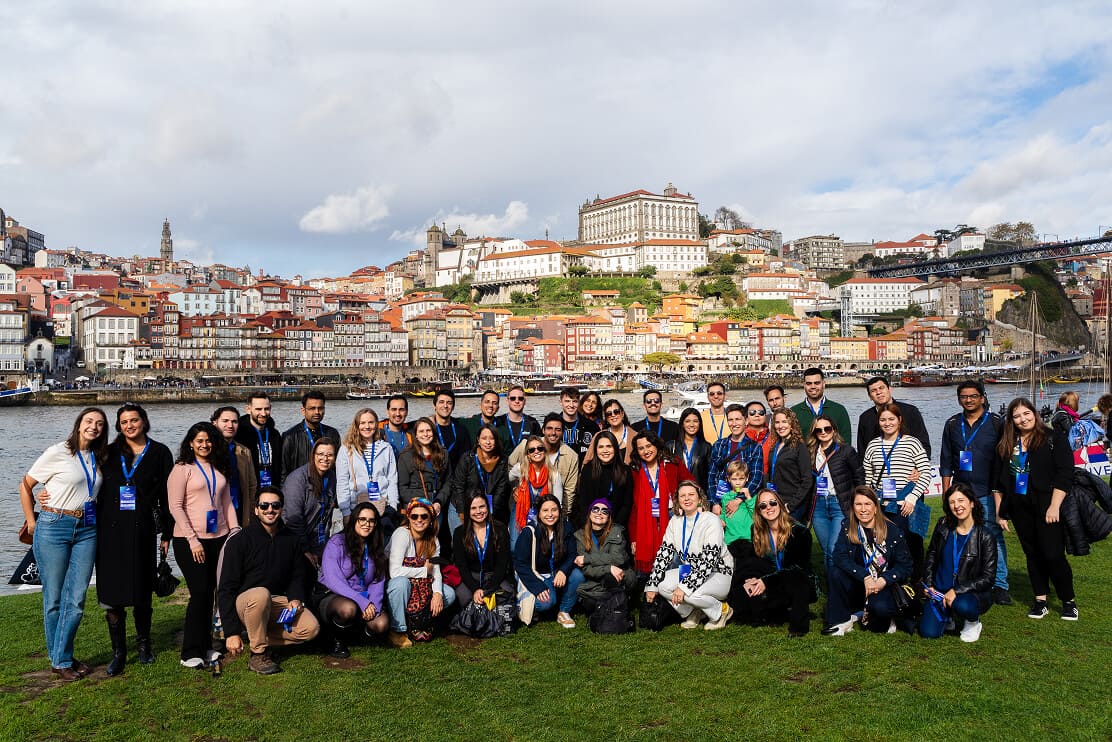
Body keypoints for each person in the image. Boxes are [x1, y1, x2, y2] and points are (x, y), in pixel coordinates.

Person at [20, 408, 110, 681]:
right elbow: (25, 484)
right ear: (79, 424)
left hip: (87, 529)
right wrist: (31, 521)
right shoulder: (58, 451)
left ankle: (62, 656)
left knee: (78, 598)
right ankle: (61, 659)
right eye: (89, 421)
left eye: (99, 424)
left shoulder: (98, 456)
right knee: (54, 598)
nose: (93, 426)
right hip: (54, 525)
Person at [96, 403, 175, 675]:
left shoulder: (161, 453)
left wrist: (168, 531)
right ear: (118, 426)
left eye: (134, 420)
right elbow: (85, 483)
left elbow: (167, 496)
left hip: (142, 530)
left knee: (142, 591)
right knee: (112, 594)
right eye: (124, 422)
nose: (130, 425)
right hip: (110, 531)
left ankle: (144, 645)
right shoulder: (107, 453)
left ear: (144, 421)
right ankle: (119, 652)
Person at [216, 487, 320, 675]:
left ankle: (257, 637)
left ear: (281, 509)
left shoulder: (291, 540)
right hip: (247, 602)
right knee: (261, 593)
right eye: (264, 505)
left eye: (275, 505)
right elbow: (225, 589)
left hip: (275, 602)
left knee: (311, 629)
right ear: (256, 509)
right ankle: (258, 654)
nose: (269, 510)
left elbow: (298, 575)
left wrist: (295, 598)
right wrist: (231, 632)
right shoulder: (240, 541)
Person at [995, 397, 1078, 620]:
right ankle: (1040, 599)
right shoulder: (1008, 443)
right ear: (1011, 420)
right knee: (1032, 555)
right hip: (1020, 507)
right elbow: (1000, 481)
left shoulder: (1053, 438)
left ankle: (1068, 600)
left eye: (1026, 414)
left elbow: (1065, 474)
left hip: (1047, 505)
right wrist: (1000, 512)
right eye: (1017, 416)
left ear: (1034, 413)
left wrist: (1054, 506)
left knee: (1052, 555)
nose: (1023, 419)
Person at [167, 422, 239, 669]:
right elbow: (175, 506)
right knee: (199, 593)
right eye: (199, 440)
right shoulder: (182, 469)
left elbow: (227, 503)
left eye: (208, 440)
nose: (204, 444)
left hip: (218, 537)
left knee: (211, 594)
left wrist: (235, 532)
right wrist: (192, 539)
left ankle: (207, 646)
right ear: (190, 442)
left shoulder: (219, 467)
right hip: (190, 541)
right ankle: (190, 652)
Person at [939, 381, 1010, 605]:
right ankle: (964, 579)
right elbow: (946, 460)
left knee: (993, 535)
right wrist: (946, 491)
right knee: (962, 535)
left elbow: (1005, 458)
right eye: (963, 396)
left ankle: (1000, 584)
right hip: (961, 491)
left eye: (973, 396)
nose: (968, 400)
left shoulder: (997, 423)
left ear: (982, 397)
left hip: (988, 491)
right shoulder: (952, 424)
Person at [644, 480, 734, 631]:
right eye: (682, 495)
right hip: (691, 570)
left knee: (691, 592)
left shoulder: (711, 520)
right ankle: (694, 612)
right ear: (677, 500)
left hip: (718, 573)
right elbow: (664, 553)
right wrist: (652, 584)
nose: (687, 498)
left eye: (691, 494)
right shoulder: (675, 521)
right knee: (662, 585)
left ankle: (722, 610)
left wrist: (684, 587)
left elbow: (708, 561)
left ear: (700, 499)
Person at [823, 486, 913, 636]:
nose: (863, 509)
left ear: (876, 507)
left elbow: (906, 566)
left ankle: (869, 614)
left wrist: (884, 579)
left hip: (885, 585)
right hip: (862, 582)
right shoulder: (848, 527)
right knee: (835, 572)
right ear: (853, 507)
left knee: (878, 622)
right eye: (858, 504)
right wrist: (864, 576)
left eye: (867, 504)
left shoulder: (892, 530)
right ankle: (840, 620)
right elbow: (839, 556)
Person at [861, 402, 931, 581]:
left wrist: (913, 498)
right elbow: (869, 479)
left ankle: (916, 582)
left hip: (904, 504)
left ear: (899, 420)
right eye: (883, 420)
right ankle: (891, 579)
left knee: (911, 543)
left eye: (891, 419)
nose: (887, 423)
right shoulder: (873, 445)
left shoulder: (912, 442)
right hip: (882, 505)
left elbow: (925, 472)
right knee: (885, 545)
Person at [919, 483, 997, 642]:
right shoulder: (943, 526)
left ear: (972, 503)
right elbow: (931, 556)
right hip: (939, 591)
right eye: (952, 502)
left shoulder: (985, 536)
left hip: (966, 594)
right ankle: (948, 617)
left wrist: (956, 590)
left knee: (963, 606)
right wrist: (929, 584)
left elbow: (988, 578)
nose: (957, 506)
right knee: (928, 633)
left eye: (961, 500)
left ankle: (973, 622)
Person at [732, 488, 814, 636]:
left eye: (772, 503)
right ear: (759, 511)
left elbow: (797, 568)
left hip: (798, 581)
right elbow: (756, 561)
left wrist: (766, 582)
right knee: (742, 591)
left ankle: (798, 627)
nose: (768, 507)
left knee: (797, 579)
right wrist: (751, 579)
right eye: (763, 505)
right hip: (772, 579)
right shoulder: (756, 530)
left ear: (780, 505)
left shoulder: (800, 531)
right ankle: (774, 612)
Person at [316, 502, 389, 659]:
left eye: (371, 520)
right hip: (333, 594)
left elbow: (378, 580)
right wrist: (361, 602)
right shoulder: (337, 542)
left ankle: (358, 635)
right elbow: (333, 579)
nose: (366, 524)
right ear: (354, 520)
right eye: (362, 519)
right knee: (348, 609)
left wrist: (373, 606)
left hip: (362, 596)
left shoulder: (375, 546)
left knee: (381, 624)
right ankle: (336, 640)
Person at [386, 499, 458, 647]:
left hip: (420, 585)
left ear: (431, 519)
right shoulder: (402, 534)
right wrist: (424, 571)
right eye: (414, 516)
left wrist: (437, 594)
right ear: (409, 518)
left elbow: (436, 570)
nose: (419, 520)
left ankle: (418, 624)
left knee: (448, 594)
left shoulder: (433, 539)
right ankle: (397, 630)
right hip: (396, 584)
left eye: (424, 516)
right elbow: (394, 572)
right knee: (401, 583)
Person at [513, 494, 584, 628]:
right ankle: (536, 606)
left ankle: (564, 611)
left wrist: (563, 571)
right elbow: (520, 564)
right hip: (539, 575)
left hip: (557, 573)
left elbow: (572, 554)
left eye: (554, 510)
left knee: (577, 576)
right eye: (545, 510)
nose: (550, 514)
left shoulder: (566, 527)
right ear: (539, 514)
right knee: (546, 603)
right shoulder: (529, 532)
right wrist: (538, 587)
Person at [629, 432, 693, 575]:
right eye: (641, 448)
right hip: (645, 519)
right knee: (649, 564)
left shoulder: (672, 463)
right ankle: (652, 591)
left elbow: (691, 484)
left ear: (656, 445)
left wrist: (681, 503)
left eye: (649, 446)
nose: (646, 451)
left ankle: (672, 589)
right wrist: (634, 537)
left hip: (672, 516)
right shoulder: (635, 470)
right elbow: (634, 506)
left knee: (675, 557)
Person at [808, 414, 865, 569]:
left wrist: (859, 503)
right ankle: (833, 587)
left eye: (827, 428)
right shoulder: (811, 453)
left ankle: (838, 590)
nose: (823, 432)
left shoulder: (846, 451)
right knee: (827, 550)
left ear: (833, 430)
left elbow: (859, 477)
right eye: (819, 430)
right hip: (819, 506)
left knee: (834, 550)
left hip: (839, 504)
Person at [336, 408, 399, 538]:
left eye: (370, 422)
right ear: (357, 425)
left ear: (376, 424)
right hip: (356, 508)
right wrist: (346, 512)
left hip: (382, 508)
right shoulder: (346, 449)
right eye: (363, 423)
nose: (367, 426)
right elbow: (342, 482)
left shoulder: (386, 448)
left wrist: (393, 506)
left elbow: (392, 479)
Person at [507, 413, 580, 525]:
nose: (553, 433)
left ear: (563, 432)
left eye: (558, 429)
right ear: (543, 430)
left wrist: (561, 520)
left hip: (549, 512)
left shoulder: (571, 457)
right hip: (522, 506)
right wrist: (514, 488)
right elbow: (508, 470)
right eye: (549, 428)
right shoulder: (526, 446)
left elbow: (569, 492)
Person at [281, 439, 338, 578]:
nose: (325, 458)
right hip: (294, 541)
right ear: (313, 456)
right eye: (320, 454)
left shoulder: (331, 477)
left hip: (317, 539)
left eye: (329, 455)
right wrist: (305, 551)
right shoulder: (297, 480)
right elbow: (293, 520)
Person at [573, 498, 638, 612]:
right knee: (590, 604)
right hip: (597, 580)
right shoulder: (580, 535)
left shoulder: (616, 531)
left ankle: (618, 604)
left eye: (604, 511)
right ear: (589, 513)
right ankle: (619, 601)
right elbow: (587, 569)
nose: (599, 513)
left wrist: (588, 558)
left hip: (621, 575)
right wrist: (608, 568)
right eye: (595, 509)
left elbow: (617, 559)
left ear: (609, 516)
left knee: (610, 577)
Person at [452, 493, 514, 607]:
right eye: (473, 508)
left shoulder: (500, 529)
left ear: (488, 507)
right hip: (471, 577)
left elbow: (502, 564)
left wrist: (488, 590)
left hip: (494, 575)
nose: (478, 511)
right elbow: (462, 566)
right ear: (468, 510)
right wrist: (475, 589)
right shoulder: (459, 532)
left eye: (482, 506)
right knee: (463, 597)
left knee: (506, 596)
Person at [508, 434, 565, 548]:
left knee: (538, 545)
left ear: (544, 451)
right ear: (528, 455)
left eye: (540, 448)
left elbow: (558, 503)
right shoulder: (520, 469)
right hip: (521, 509)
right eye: (532, 450)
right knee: (515, 545)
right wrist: (514, 488)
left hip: (543, 513)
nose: (536, 451)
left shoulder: (554, 474)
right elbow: (507, 480)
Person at [706, 404, 764, 513]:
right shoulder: (718, 445)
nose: (734, 423)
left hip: (743, 504)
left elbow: (756, 479)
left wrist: (738, 500)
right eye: (730, 420)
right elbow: (712, 476)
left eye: (738, 419)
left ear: (746, 421)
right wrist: (714, 503)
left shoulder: (754, 447)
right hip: (721, 502)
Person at [451, 424, 510, 528]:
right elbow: (458, 486)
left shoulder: (503, 461)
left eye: (492, 438)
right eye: (484, 438)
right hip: (465, 505)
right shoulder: (467, 459)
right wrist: (462, 511)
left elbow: (501, 491)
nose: (488, 442)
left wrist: (488, 513)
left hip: (492, 508)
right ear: (478, 440)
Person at [857, 376, 931, 457]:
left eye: (881, 388)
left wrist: (918, 468)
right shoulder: (865, 418)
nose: (878, 392)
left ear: (889, 389)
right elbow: (862, 450)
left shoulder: (910, 411)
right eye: (873, 391)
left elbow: (923, 443)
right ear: (870, 396)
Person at [573, 431, 633, 528]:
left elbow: (627, 504)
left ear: (615, 448)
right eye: (601, 447)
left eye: (609, 446)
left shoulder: (625, 471)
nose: (605, 450)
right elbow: (583, 501)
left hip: (616, 526)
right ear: (595, 450)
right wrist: (589, 525)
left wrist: (614, 527)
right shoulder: (588, 469)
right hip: (590, 526)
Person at [211, 406, 258, 526]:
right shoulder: (207, 450)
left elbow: (252, 485)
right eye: (225, 421)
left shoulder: (244, 451)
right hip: (214, 510)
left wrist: (251, 512)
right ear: (214, 423)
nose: (230, 425)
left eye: (234, 421)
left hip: (238, 508)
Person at [768, 409, 816, 524]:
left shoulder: (799, 447)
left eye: (784, 422)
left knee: (791, 539)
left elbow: (807, 480)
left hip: (793, 504)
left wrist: (791, 505)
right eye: (777, 422)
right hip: (777, 500)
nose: (780, 426)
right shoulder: (775, 446)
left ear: (792, 424)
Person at [396, 417, 449, 514]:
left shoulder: (443, 454)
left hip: (437, 506)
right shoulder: (406, 456)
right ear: (415, 435)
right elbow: (402, 488)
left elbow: (448, 482)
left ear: (433, 432)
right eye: (421, 431)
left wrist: (439, 501)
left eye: (428, 430)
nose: (425, 434)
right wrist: (422, 503)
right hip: (415, 508)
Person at [282, 390, 341, 476]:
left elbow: (339, 467)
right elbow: (283, 471)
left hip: (327, 485)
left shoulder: (332, 434)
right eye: (312, 408)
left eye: (320, 408)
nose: (317, 412)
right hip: (301, 486)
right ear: (303, 410)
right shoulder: (290, 437)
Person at [235, 391, 284, 488]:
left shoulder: (275, 434)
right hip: (249, 489)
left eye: (266, 409)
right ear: (248, 409)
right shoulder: (239, 435)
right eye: (258, 409)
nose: (263, 413)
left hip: (272, 489)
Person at [791, 367, 852, 443]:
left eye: (817, 383)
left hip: (833, 455)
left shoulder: (839, 410)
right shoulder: (794, 412)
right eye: (809, 383)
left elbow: (846, 443)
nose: (813, 387)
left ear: (823, 384)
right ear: (804, 385)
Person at [720, 460, 757, 561]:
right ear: (728, 479)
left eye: (741, 478)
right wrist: (720, 520)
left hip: (748, 539)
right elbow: (724, 514)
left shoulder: (752, 496)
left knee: (747, 568)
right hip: (730, 540)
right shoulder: (726, 497)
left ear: (747, 478)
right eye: (734, 479)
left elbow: (755, 515)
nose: (737, 482)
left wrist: (748, 497)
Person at [668, 408, 712, 489]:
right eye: (687, 421)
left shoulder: (706, 447)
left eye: (695, 421)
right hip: (677, 495)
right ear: (682, 424)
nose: (692, 424)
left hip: (699, 495)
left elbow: (710, 476)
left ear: (700, 424)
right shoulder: (671, 446)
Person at [433, 389, 472, 475]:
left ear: (453, 407)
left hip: (456, 479)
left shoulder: (461, 430)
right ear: (434, 405)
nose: (445, 406)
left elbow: (466, 460)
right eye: (441, 402)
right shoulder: (427, 430)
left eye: (449, 403)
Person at [496, 385, 540, 453]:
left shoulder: (533, 423)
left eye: (520, 398)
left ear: (524, 401)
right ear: (507, 401)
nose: (517, 401)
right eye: (513, 398)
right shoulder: (498, 422)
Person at [559, 387, 594, 458]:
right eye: (567, 401)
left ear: (579, 402)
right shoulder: (553, 425)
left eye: (574, 401)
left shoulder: (591, 426)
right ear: (561, 402)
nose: (571, 405)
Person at [743, 401, 774, 476]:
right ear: (746, 417)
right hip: (742, 480)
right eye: (752, 412)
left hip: (768, 479)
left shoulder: (774, 437)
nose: (757, 415)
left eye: (761, 412)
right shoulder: (739, 437)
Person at [598, 399, 635, 463]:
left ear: (622, 414)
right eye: (609, 413)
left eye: (616, 412)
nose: (613, 415)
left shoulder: (635, 436)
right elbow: (587, 461)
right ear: (606, 418)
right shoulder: (599, 436)